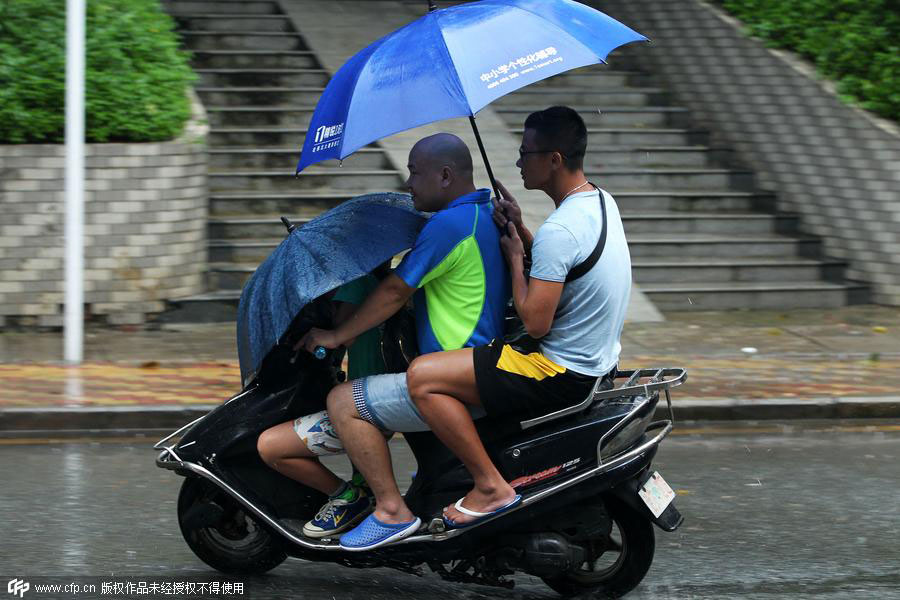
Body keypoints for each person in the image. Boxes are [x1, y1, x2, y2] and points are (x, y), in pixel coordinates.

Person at [405, 106, 632, 529]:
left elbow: (536, 323)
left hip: (558, 369)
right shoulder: (600, 201)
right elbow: (566, 267)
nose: (518, 162)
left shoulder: (560, 230)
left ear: (554, 159)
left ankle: (490, 486)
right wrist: (522, 231)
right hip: (598, 360)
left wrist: (514, 259)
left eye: (526, 153)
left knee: (421, 376)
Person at [296, 132, 511, 548]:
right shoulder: (484, 214)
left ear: (445, 175)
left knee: (343, 402)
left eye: (415, 173)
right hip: (478, 366)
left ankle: (390, 510)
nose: (408, 183)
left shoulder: (449, 225)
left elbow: (395, 291)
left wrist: (337, 334)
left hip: (450, 380)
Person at [256, 267, 388, 539]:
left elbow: (340, 333)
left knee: (271, 447)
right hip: (381, 394)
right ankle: (366, 489)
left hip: (368, 404)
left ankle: (347, 497)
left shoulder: (358, 282)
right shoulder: (388, 283)